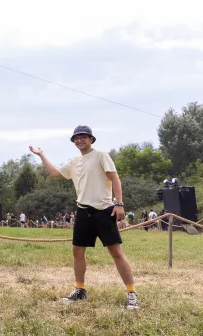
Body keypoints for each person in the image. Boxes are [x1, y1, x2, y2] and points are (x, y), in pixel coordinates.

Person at [29, 125, 139, 309]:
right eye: (76, 138)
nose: (79, 140)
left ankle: (131, 293)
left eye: (83, 137)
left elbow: (115, 178)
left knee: (116, 252)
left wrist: (119, 204)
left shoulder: (101, 155)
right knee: (77, 252)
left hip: (104, 210)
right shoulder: (74, 162)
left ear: (91, 139)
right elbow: (55, 173)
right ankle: (80, 290)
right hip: (83, 211)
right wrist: (41, 155)